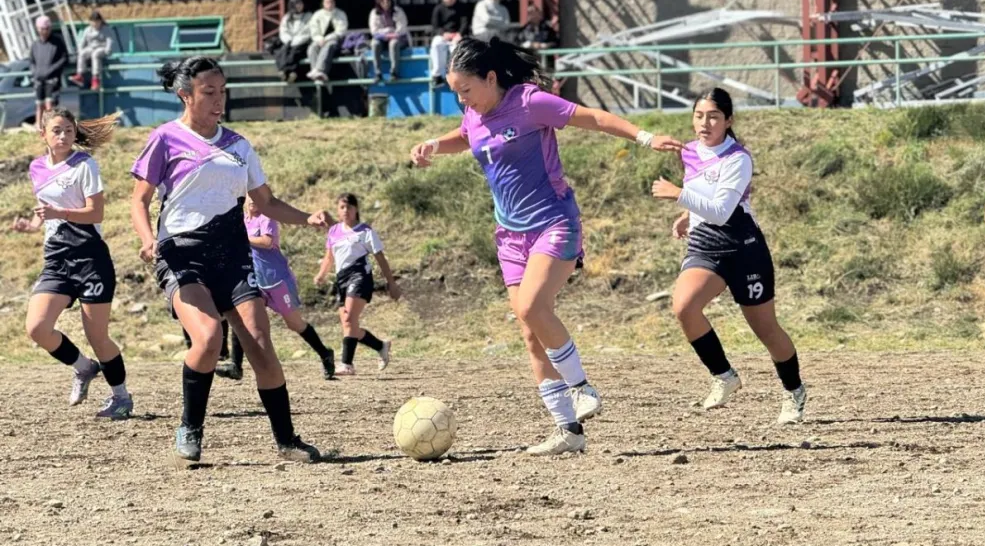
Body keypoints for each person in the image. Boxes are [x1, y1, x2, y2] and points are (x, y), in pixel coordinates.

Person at [409, 37, 682, 455]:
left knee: (532, 308)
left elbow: (592, 118)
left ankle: (582, 387)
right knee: (530, 332)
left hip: (554, 223)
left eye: (465, 89)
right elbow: (466, 135)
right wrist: (433, 146)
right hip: (509, 236)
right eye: (455, 92)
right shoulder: (472, 112)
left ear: (492, 77)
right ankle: (567, 431)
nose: (461, 99)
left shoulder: (531, 102)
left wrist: (645, 136)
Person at [130, 56, 330, 465]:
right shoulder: (166, 138)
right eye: (209, 92)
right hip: (182, 254)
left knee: (260, 345)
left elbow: (267, 202)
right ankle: (190, 426)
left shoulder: (239, 145)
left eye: (223, 92)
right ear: (185, 95)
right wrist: (148, 239)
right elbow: (139, 200)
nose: (219, 100)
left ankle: (287, 441)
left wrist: (307, 217)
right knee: (207, 338)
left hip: (234, 255)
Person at [651, 87, 806, 424]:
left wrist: (677, 196)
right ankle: (724, 376)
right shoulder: (689, 152)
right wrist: (687, 217)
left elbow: (722, 209)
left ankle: (793, 391)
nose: (705, 123)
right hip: (705, 243)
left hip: (742, 247)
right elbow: (702, 195)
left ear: (728, 120)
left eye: (714, 117)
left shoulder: (738, 158)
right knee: (684, 306)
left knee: (766, 330)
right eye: (699, 115)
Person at [12, 108, 132, 419]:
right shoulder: (36, 167)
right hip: (57, 258)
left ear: (74, 132)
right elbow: (46, 209)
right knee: (37, 327)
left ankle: (121, 397)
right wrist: (33, 225)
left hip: (90, 258)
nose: (63, 136)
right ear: (44, 135)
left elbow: (96, 213)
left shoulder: (84, 165)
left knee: (98, 336)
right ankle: (83, 367)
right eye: (57, 130)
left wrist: (58, 214)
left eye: (68, 130)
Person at [222, 192, 337, 381]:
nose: (252, 200)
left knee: (294, 323)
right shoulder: (242, 219)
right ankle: (236, 365)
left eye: (255, 196)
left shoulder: (267, 217)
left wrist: (242, 238)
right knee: (242, 317)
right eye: (249, 197)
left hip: (276, 280)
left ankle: (325, 354)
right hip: (254, 280)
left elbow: (267, 242)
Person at [314, 193, 400, 376]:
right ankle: (380, 346)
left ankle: (346, 364)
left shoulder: (365, 231)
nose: (346, 211)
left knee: (349, 319)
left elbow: (380, 257)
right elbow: (330, 257)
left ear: (356, 209)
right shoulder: (334, 231)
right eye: (342, 207)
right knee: (349, 326)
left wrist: (391, 283)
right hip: (341, 279)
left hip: (360, 276)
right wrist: (321, 274)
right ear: (338, 210)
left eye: (349, 207)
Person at [29, 16, 68, 125]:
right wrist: (35, 72)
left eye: (47, 28)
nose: (45, 31)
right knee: (39, 105)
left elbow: (64, 59)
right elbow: (31, 61)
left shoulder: (58, 41)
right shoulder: (35, 44)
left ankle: (50, 127)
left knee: (49, 105)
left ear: (50, 28)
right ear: (37, 29)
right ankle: (39, 128)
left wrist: (51, 71)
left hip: (53, 79)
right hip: (38, 80)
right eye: (42, 29)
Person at [429, 0, 469, 87]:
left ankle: (455, 75)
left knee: (456, 49)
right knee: (436, 44)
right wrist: (443, 33)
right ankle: (438, 75)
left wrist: (460, 33)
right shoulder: (438, 8)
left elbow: (465, 23)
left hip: (457, 36)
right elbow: (435, 26)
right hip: (443, 36)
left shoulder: (462, 7)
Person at [306, 0, 349, 82]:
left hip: (335, 40)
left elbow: (340, 31)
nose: (329, 3)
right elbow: (313, 29)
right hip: (320, 40)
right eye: (327, 2)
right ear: (323, 3)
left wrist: (326, 39)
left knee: (328, 46)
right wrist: (319, 38)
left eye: (331, 1)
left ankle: (320, 70)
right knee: (312, 47)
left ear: (334, 2)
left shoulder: (341, 14)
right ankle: (316, 73)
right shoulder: (317, 14)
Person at [368, 0, 409, 83]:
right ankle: (378, 73)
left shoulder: (398, 10)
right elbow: (374, 31)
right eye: (382, 0)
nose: (385, 1)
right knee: (374, 43)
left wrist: (394, 34)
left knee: (393, 43)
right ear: (378, 2)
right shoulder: (374, 13)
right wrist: (386, 32)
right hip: (382, 39)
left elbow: (403, 28)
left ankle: (394, 73)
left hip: (398, 39)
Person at [68, 11, 113, 91]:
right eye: (93, 22)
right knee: (82, 54)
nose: (95, 24)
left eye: (97, 22)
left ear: (100, 21)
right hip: (91, 47)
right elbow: (82, 41)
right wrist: (80, 50)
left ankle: (95, 79)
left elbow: (109, 40)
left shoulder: (105, 29)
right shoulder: (87, 30)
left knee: (95, 55)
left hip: (101, 48)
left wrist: (108, 49)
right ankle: (80, 75)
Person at [275, 0, 311, 83]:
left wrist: (297, 41)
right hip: (289, 41)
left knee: (295, 51)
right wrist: (288, 40)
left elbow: (308, 31)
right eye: (297, 4)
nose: (299, 6)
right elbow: (283, 30)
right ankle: (285, 72)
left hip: (303, 42)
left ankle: (289, 71)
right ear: (292, 5)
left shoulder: (309, 16)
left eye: (300, 3)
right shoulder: (287, 17)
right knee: (282, 51)